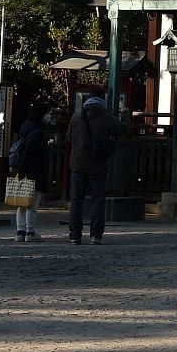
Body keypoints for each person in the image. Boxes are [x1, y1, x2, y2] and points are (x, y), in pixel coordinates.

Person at [67, 96, 123, 246]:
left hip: (77, 165)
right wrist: (126, 116)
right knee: (98, 201)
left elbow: (68, 138)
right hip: (97, 164)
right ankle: (95, 235)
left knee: (76, 201)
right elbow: (123, 130)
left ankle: (75, 235)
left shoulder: (76, 117)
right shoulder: (106, 117)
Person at [9, 107, 51, 241]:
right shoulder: (38, 132)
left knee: (22, 202)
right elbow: (31, 153)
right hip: (34, 170)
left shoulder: (26, 128)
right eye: (48, 113)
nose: (50, 116)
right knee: (32, 204)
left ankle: (20, 232)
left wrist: (20, 170)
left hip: (23, 170)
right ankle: (30, 232)